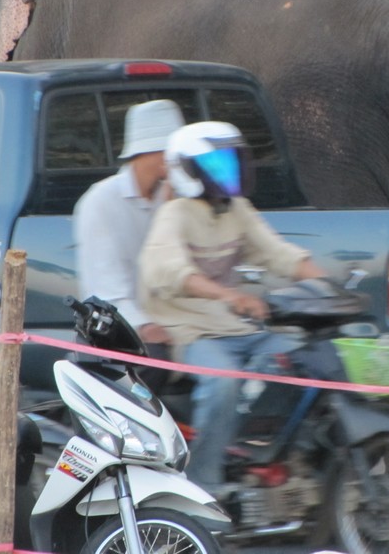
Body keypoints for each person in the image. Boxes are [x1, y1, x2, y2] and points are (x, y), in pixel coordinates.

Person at [138, 121, 325, 495]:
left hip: (242, 330)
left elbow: (280, 255)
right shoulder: (174, 214)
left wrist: (325, 286)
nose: (230, 172)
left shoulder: (237, 209)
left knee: (308, 360)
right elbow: (169, 272)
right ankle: (203, 483)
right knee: (224, 382)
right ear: (188, 170)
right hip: (192, 332)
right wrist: (230, 297)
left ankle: (270, 461)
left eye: (232, 162)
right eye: (218, 164)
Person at [73, 99, 184, 388]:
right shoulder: (101, 201)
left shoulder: (169, 199)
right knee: (153, 364)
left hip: (167, 319)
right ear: (156, 153)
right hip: (116, 328)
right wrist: (146, 326)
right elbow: (108, 288)